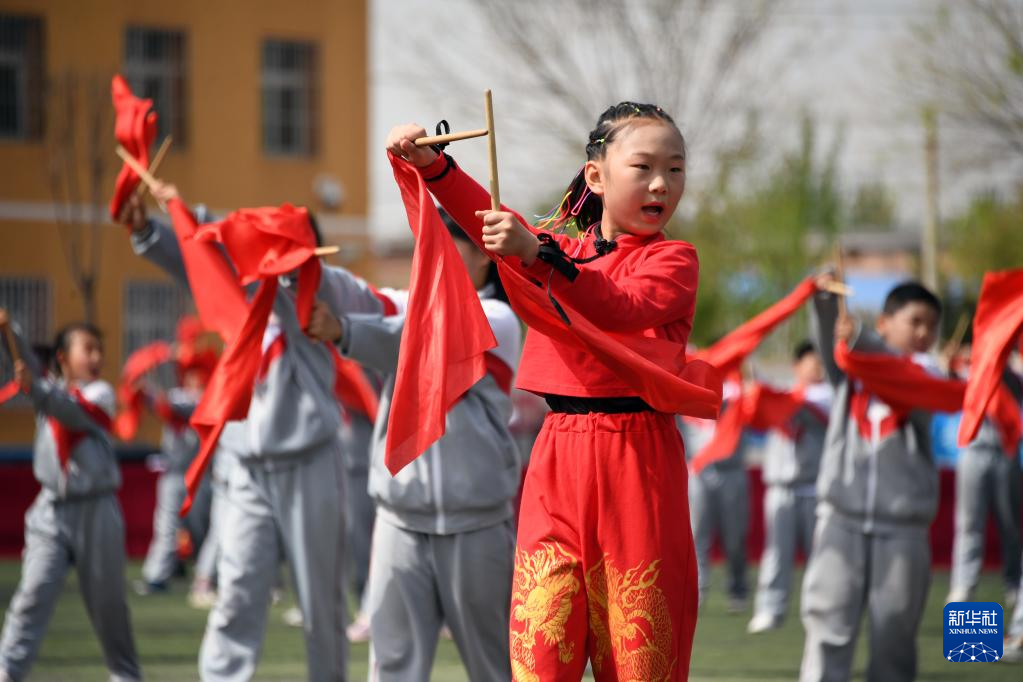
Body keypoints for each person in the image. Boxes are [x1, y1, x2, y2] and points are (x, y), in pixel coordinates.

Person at [386, 100, 707, 680]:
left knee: (640, 662)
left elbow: (619, 306)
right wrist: (433, 167)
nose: (662, 183)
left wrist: (536, 254)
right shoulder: (561, 252)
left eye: (675, 169)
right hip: (557, 455)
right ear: (596, 176)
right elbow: (491, 220)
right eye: (643, 167)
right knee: (539, 656)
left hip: (639, 460)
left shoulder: (674, 260)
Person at [121, 189, 377, 682]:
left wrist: (208, 219)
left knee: (320, 600)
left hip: (309, 462)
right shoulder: (243, 291)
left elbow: (336, 300)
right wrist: (154, 229)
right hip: (246, 468)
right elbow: (198, 266)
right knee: (236, 592)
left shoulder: (323, 291)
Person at [306, 211, 523, 681]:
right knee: (393, 668)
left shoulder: (499, 319)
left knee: (496, 668)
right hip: (399, 520)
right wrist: (305, 267)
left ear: (484, 256)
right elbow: (357, 296)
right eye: (429, 246)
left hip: (477, 523)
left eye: (448, 245)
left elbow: (427, 342)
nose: (433, 257)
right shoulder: (412, 305)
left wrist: (345, 331)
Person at [799, 279, 948, 682]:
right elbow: (830, 341)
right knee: (827, 626)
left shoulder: (928, 374)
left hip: (902, 530)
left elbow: (904, 378)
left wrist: (862, 339)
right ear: (885, 322)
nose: (924, 333)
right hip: (840, 521)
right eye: (915, 321)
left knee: (894, 637)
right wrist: (826, 300)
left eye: (932, 326)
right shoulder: (850, 371)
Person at [0, 313, 142, 682]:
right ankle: (8, 669)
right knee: (33, 593)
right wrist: (8, 329)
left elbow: (67, 410)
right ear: (63, 357)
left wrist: (36, 388)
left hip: (97, 510)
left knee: (109, 606)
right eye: (87, 349)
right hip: (51, 511)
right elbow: (26, 363)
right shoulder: (47, 390)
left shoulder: (100, 395)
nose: (96, 358)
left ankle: (125, 674)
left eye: (99, 350)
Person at [747, 342, 832, 633]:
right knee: (776, 553)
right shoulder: (783, 395)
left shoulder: (829, 396)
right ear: (797, 366)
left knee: (819, 556)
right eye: (812, 362)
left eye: (821, 363)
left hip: (815, 488)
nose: (817, 368)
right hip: (780, 488)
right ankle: (770, 609)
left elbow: (805, 411)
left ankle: (818, 610)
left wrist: (772, 397)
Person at [946, 342, 1022, 607]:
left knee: (1009, 524)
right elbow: (949, 386)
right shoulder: (971, 371)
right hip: (973, 451)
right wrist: (953, 364)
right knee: (969, 524)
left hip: (1006, 453)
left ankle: (1014, 582)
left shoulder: (1013, 375)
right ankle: (963, 584)